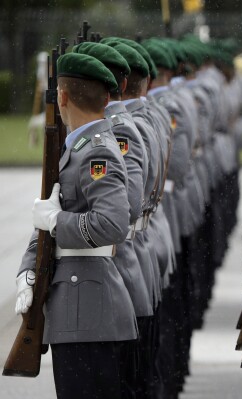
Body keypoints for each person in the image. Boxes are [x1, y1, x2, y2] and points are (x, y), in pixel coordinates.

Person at [15, 52, 137, 398]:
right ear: (108, 98)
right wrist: (28, 269)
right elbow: (51, 217)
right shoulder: (78, 147)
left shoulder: (95, 151)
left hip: (90, 313)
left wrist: (56, 221)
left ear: (62, 97)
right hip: (79, 311)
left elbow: (112, 222)